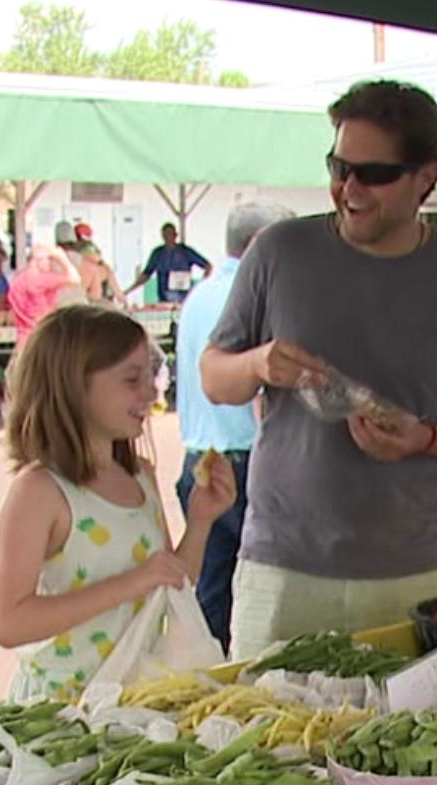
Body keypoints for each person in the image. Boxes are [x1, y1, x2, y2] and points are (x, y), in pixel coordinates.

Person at [200, 80, 437, 659]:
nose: (348, 188)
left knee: (390, 742)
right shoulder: (279, 251)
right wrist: (258, 363)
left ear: (426, 176)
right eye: (338, 166)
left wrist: (425, 438)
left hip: (402, 571)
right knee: (259, 736)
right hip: (279, 564)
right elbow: (213, 377)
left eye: (372, 174)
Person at [0, 305, 236, 703]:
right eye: (131, 379)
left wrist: (202, 520)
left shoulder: (140, 473)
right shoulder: (40, 492)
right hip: (60, 711)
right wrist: (132, 583)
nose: (152, 392)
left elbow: (170, 579)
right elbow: (8, 622)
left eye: (150, 375)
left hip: (131, 699)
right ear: (74, 386)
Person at [172, 200, 294, 650]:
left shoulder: (198, 296)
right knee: (255, 597)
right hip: (244, 467)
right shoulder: (252, 296)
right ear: (260, 245)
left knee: (208, 596)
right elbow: (264, 393)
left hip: (197, 462)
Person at [7, 244, 83, 348]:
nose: (51, 263)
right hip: (42, 335)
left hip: (23, 336)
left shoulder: (19, 279)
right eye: (48, 259)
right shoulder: (42, 279)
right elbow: (75, 279)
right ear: (37, 260)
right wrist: (63, 258)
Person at [127, 223, 211, 305]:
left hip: (184, 299)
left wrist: (200, 287)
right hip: (164, 299)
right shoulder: (158, 253)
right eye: (165, 235)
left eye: (170, 234)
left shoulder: (185, 251)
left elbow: (208, 266)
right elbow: (146, 274)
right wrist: (128, 290)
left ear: (175, 235)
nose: (168, 237)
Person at [77, 242, 124, 308]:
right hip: (102, 306)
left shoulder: (84, 268)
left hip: (90, 306)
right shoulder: (105, 268)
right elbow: (118, 292)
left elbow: (95, 295)